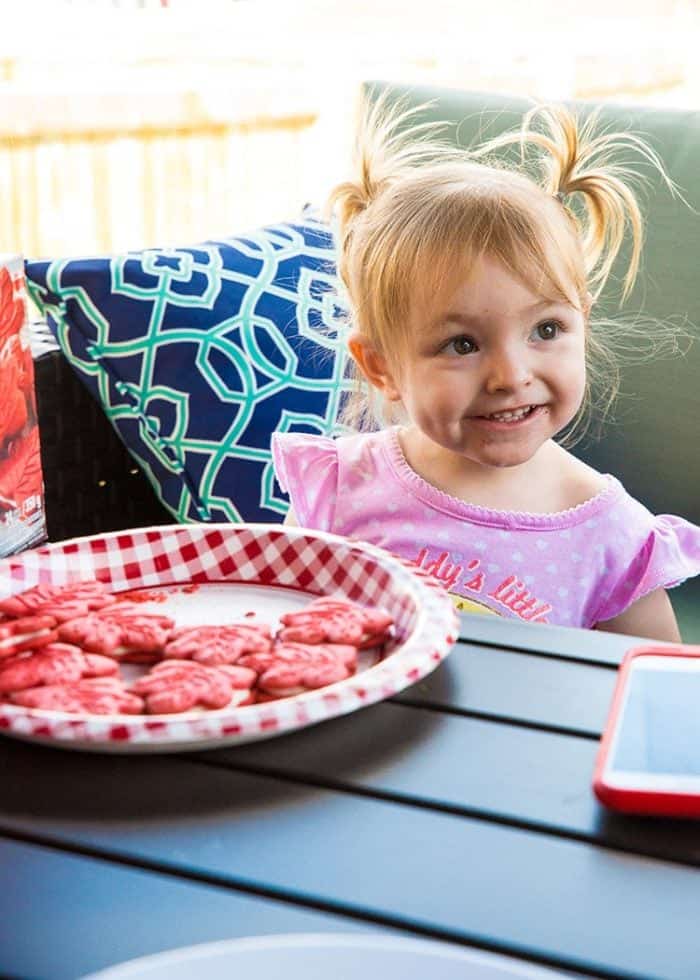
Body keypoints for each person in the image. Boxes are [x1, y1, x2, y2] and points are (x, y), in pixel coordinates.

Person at [272, 98, 700, 641]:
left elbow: (654, 690)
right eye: (462, 343)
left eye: (546, 330)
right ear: (381, 367)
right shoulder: (340, 489)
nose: (510, 375)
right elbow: (284, 634)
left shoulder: (613, 537)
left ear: (582, 325)